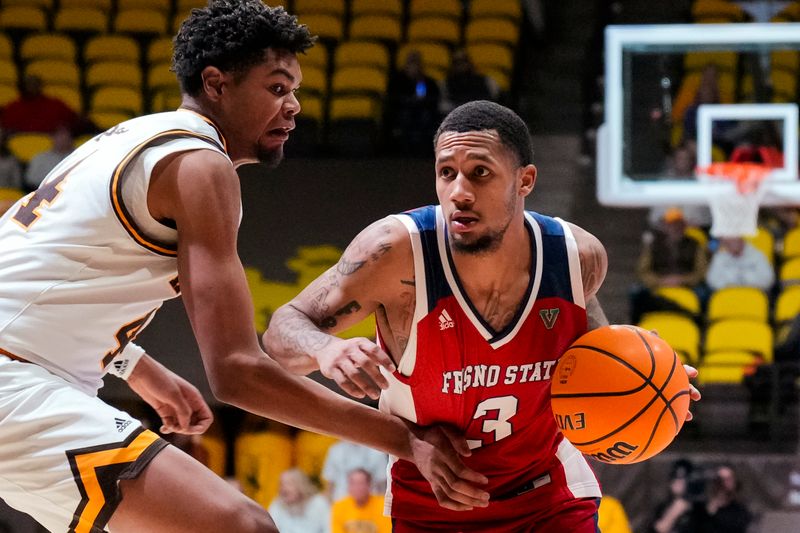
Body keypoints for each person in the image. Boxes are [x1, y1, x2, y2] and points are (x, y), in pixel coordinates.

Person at [0, 3, 487, 532]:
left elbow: (41, 280)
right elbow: (236, 373)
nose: (294, 106)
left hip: (33, 373)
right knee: (242, 527)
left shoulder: (128, 138)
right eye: (277, 89)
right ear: (217, 84)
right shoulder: (200, 166)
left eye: (295, 91)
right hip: (18, 382)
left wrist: (137, 366)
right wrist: (405, 438)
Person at [264, 100, 701, 531]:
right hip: (432, 506)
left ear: (525, 179)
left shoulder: (575, 257)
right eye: (446, 173)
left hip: (548, 499)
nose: (459, 192)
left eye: (480, 173)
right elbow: (281, 331)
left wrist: (651, 383)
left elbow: (596, 358)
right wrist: (325, 349)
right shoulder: (394, 253)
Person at [385, 49, 441, 155]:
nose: (414, 67)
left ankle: (424, 150)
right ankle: (404, 150)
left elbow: (434, 99)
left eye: (416, 63)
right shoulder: (397, 81)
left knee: (426, 117)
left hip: (424, 111)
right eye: (411, 63)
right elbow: (392, 99)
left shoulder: (428, 81)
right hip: (403, 111)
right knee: (404, 117)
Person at [0, 74, 83, 135]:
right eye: (28, 85)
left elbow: (74, 120)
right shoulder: (12, 108)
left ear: (40, 86)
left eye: (34, 84)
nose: (31, 87)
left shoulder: (56, 104)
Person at [686, 464, 752, 533]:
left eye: (728, 479)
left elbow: (733, 526)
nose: (722, 483)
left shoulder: (740, 511)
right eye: (719, 479)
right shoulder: (699, 508)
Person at [322, 440, 388, 502]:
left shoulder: (377, 451)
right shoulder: (335, 451)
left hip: (371, 505)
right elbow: (330, 484)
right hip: (342, 502)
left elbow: (382, 485)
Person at [268, 468, 330, 533]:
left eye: (288, 484)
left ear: (301, 485)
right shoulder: (277, 505)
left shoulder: (319, 504)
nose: (283, 489)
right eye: (281, 484)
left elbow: (328, 529)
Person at [330, 469, 391, 533]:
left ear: (369, 485)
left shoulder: (383, 505)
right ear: (348, 486)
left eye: (361, 483)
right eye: (353, 483)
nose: (357, 487)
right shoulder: (339, 507)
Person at [705, 235, 774, 291]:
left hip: (753, 296)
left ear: (741, 240)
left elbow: (768, 280)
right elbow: (711, 280)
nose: (729, 246)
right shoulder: (719, 257)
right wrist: (730, 285)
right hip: (727, 295)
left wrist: (746, 282)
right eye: (727, 244)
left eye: (733, 242)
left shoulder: (758, 255)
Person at [440, 49, 499, 114]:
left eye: (463, 61)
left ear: (469, 63)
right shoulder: (446, 84)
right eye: (457, 62)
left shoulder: (486, 80)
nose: (461, 65)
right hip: (458, 116)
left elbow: (495, 99)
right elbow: (444, 106)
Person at [647, 459, 698, 533]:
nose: (678, 482)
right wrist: (674, 512)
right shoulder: (662, 507)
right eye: (675, 477)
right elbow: (657, 529)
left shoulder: (698, 510)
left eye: (683, 478)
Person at [23, 123, 75, 191]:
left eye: (65, 135)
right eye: (58, 135)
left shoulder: (79, 157)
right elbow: (31, 182)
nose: (62, 138)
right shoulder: (39, 158)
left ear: (71, 138)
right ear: (52, 137)